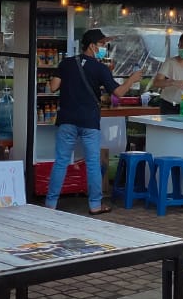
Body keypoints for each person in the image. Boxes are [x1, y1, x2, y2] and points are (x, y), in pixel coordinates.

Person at [46, 29, 143, 214]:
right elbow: (119, 93)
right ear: (92, 45)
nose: (103, 48)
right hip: (89, 121)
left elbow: (53, 87)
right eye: (101, 44)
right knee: (92, 163)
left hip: (67, 120)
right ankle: (95, 205)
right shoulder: (100, 68)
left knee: (61, 162)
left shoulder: (66, 63)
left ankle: (51, 204)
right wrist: (131, 79)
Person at [151, 32, 183, 114]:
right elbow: (156, 82)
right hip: (169, 105)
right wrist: (172, 82)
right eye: (181, 46)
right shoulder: (170, 62)